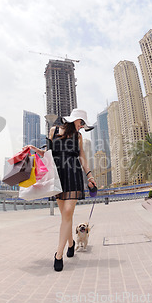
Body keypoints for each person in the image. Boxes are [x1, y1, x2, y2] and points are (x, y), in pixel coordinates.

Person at [24, 109, 97, 271]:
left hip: (73, 173)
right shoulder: (54, 130)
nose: (82, 126)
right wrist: (35, 149)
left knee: (68, 212)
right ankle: (70, 243)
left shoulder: (78, 137)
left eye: (83, 124)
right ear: (75, 120)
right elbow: (47, 154)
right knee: (65, 215)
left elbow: (82, 157)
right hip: (57, 175)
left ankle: (58, 254)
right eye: (81, 123)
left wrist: (90, 176)